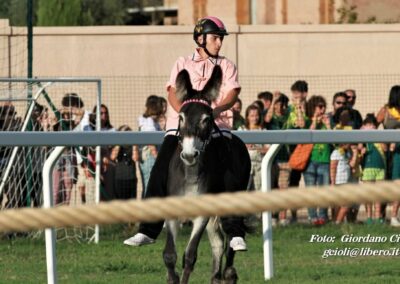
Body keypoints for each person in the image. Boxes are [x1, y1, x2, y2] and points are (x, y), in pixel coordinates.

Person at [124, 16, 249, 251]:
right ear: (200, 38)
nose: (219, 43)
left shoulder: (227, 65)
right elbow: (172, 92)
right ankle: (147, 231)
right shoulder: (181, 62)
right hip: (180, 129)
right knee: (160, 171)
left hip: (217, 127)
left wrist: (216, 110)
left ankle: (235, 233)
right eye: (215, 38)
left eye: (220, 39)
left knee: (230, 172)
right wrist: (185, 112)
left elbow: (232, 93)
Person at [304, 95, 331, 225]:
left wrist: (328, 125)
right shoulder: (307, 121)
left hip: (324, 160)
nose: (322, 109)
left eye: (324, 106)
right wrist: (315, 121)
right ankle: (312, 217)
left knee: (324, 191)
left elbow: (334, 140)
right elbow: (307, 135)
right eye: (319, 107)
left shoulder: (327, 121)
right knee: (311, 191)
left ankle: (323, 217)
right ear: (313, 108)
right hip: (310, 161)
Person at [265, 92, 291, 225]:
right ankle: (272, 216)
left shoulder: (288, 115)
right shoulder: (270, 116)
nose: (279, 106)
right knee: (271, 188)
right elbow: (267, 120)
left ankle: (283, 218)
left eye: (282, 104)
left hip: (284, 159)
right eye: (277, 104)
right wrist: (274, 100)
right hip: (271, 160)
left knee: (283, 189)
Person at [376, 85, 400, 226]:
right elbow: (373, 125)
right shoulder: (386, 110)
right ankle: (380, 215)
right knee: (385, 182)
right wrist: (381, 141)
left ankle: (394, 215)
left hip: (399, 152)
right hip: (387, 152)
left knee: (397, 182)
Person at [286, 80, 309, 223]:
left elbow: (302, 124)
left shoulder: (309, 108)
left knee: (309, 182)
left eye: (297, 94)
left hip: (305, 150)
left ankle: (315, 215)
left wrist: (300, 109)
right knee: (291, 183)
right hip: (291, 151)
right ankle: (292, 215)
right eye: (293, 94)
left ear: (304, 94)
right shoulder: (289, 109)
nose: (294, 97)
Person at [360, 114, 387, 224]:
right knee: (368, 194)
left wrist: (380, 139)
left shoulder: (380, 137)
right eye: (368, 125)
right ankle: (369, 218)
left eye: (373, 125)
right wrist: (361, 150)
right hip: (368, 169)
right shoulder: (363, 138)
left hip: (380, 168)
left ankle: (377, 217)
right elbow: (359, 148)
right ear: (364, 126)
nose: (371, 127)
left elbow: (385, 149)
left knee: (378, 194)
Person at [238, 104, 269, 191]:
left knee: (259, 192)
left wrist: (256, 148)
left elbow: (268, 149)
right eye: (252, 115)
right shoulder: (242, 130)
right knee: (244, 191)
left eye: (256, 115)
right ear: (247, 117)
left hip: (260, 167)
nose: (255, 118)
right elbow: (237, 148)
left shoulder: (263, 130)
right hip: (245, 167)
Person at [137, 95, 163, 195]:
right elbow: (151, 142)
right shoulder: (148, 121)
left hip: (150, 157)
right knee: (149, 185)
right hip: (150, 157)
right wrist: (158, 158)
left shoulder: (150, 121)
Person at [330, 144, 359, 224]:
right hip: (339, 182)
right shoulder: (336, 152)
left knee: (342, 204)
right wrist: (333, 182)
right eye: (348, 143)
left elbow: (352, 165)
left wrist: (355, 153)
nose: (350, 144)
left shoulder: (347, 153)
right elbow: (333, 167)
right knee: (345, 205)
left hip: (346, 182)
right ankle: (337, 222)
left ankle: (336, 222)